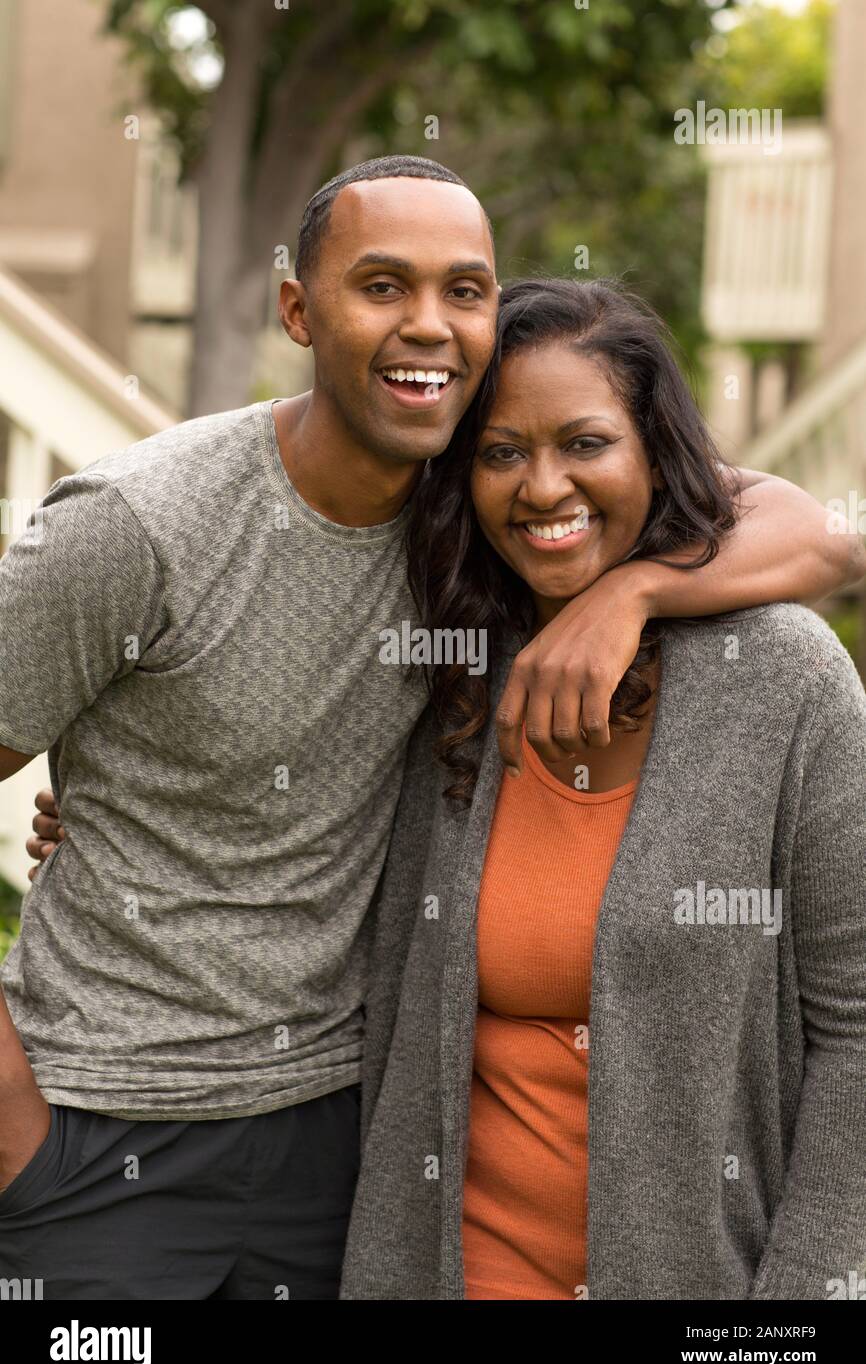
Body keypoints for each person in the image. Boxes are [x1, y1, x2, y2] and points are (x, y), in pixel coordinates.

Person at [6, 155, 862, 1300]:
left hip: (336, 1155)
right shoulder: (179, 537)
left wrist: (627, 596)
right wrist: (21, 1145)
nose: (429, 326)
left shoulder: (518, 548)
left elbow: (822, 536)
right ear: (297, 309)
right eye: (380, 284)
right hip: (112, 1151)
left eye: (463, 288)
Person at [335, 278, 866, 1301]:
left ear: (652, 455)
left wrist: (798, 1309)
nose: (541, 487)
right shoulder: (447, 671)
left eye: (585, 444)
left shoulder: (784, 680)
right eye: (500, 451)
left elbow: (856, 1029)